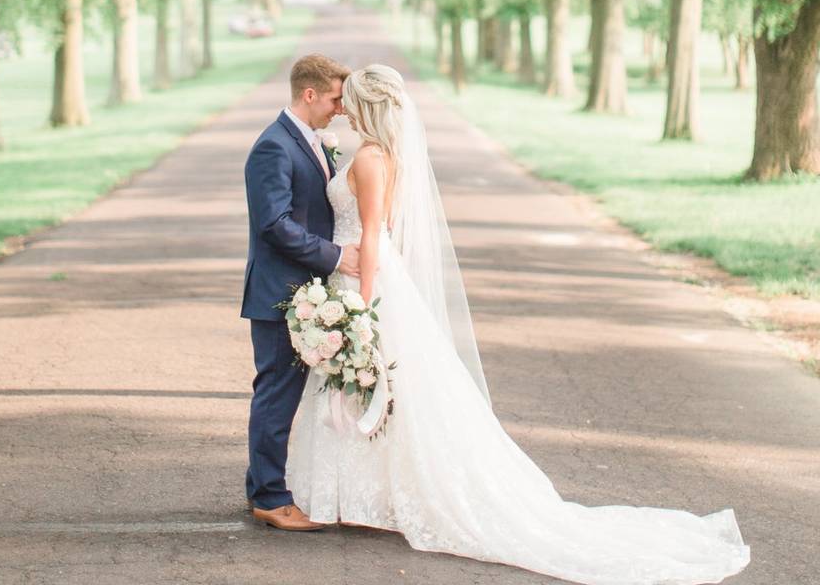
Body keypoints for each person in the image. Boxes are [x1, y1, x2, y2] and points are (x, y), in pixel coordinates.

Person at [284, 64, 751, 584]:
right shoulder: (375, 153)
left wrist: (363, 309)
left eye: (348, 100)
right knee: (378, 389)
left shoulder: (371, 159)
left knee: (378, 381)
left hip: (368, 283)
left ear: (366, 107)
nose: (341, 106)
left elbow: (372, 235)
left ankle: (375, 495)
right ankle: (363, 495)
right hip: (363, 277)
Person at [240, 54, 361, 531]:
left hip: (302, 289)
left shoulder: (308, 140)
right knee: (276, 393)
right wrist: (334, 256)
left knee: (283, 392)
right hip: (279, 292)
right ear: (308, 94)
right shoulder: (273, 147)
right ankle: (270, 497)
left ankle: (261, 485)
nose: (338, 109)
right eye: (333, 98)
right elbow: (274, 225)